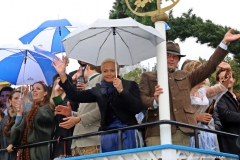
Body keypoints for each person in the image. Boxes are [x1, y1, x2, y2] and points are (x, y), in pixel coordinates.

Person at [138, 29, 240, 147]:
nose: (171, 59)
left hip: (182, 132)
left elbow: (209, 66)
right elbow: (141, 101)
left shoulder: (185, 77)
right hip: (156, 133)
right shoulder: (147, 76)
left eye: (175, 57)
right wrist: (154, 101)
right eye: (168, 55)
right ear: (160, 56)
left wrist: (224, 43)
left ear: (178, 60)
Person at [53, 58, 143, 152]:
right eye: (105, 71)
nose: (109, 73)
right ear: (101, 73)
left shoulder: (130, 85)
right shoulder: (99, 90)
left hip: (128, 132)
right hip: (108, 136)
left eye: (112, 70)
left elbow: (137, 108)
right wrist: (62, 74)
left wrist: (122, 91)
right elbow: (74, 95)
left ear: (118, 71)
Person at [56, 63, 102, 156]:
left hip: (91, 141)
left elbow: (102, 110)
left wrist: (78, 118)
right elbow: (55, 105)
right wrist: (72, 114)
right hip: (77, 141)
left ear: (87, 67)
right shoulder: (88, 84)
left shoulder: (101, 79)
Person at [182, 60, 229, 151]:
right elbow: (177, 115)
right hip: (190, 133)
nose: (205, 74)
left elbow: (223, 86)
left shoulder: (203, 91)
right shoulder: (183, 92)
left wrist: (227, 71)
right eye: (202, 71)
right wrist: (196, 118)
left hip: (206, 131)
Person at [9, 81, 55, 160]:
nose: (34, 90)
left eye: (38, 88)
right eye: (33, 89)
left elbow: (39, 117)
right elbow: (18, 130)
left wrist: (26, 101)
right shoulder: (29, 110)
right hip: (26, 151)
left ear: (45, 93)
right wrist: (19, 113)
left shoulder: (48, 108)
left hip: (39, 151)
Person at [50, 74, 78, 159]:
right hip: (57, 140)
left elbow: (63, 113)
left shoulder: (71, 97)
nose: (61, 82)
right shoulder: (53, 101)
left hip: (66, 139)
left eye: (63, 80)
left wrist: (57, 94)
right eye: (59, 79)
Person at [213, 70, 240, 154]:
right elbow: (226, 115)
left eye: (229, 77)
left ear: (234, 79)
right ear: (218, 81)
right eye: (223, 78)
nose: (227, 80)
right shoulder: (219, 96)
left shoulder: (237, 97)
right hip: (229, 143)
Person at [2, 90, 21, 160]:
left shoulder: (28, 115)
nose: (19, 100)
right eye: (16, 98)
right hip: (9, 154)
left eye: (21, 98)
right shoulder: (5, 119)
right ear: (10, 101)